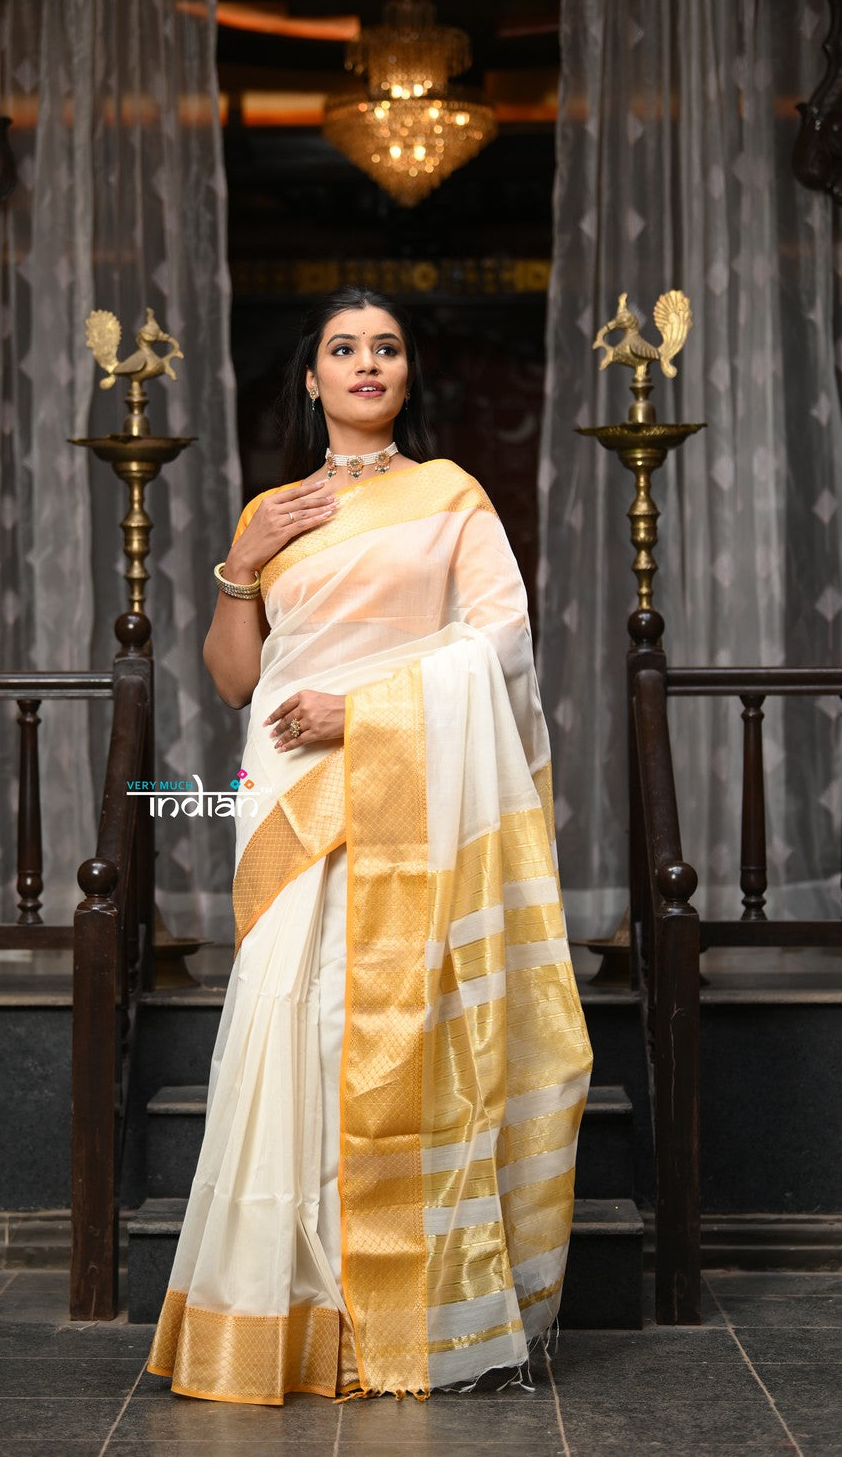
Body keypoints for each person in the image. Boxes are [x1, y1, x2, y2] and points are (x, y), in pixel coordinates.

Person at [147, 287, 592, 1405]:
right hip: (287, 790)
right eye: (342, 349)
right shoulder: (273, 509)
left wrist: (364, 712)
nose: (365, 363)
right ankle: (280, 1317)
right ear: (310, 379)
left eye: (385, 348)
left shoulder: (448, 496)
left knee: (386, 1028)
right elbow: (236, 678)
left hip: (404, 788)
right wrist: (241, 562)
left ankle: (403, 1319)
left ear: (405, 374)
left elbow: (500, 645)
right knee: (284, 1028)